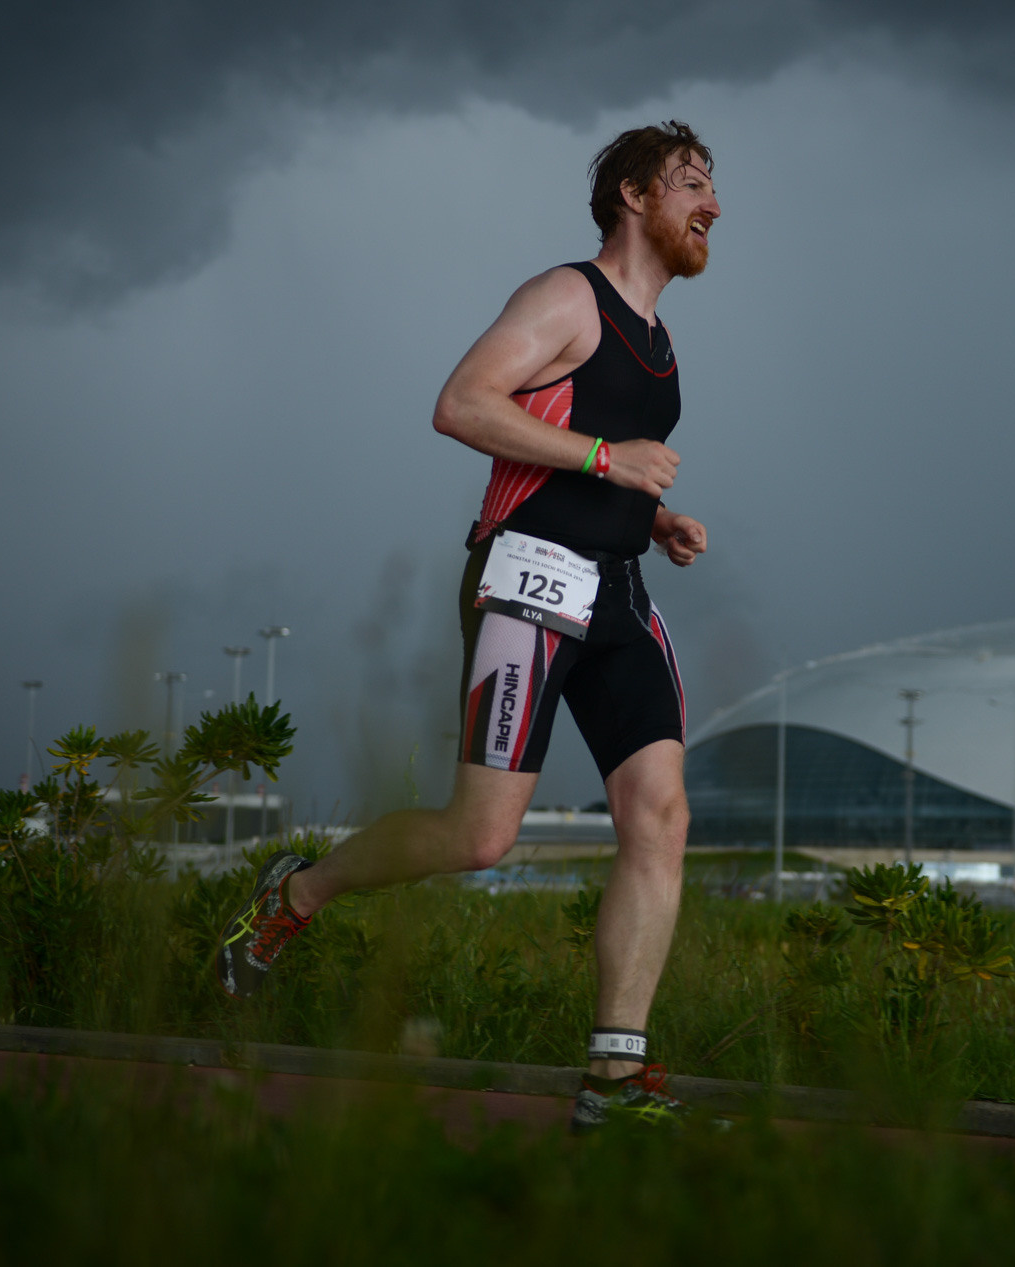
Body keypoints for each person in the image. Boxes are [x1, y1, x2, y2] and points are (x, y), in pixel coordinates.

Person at [213, 121, 721, 1134]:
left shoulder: (660, 341)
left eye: (713, 187)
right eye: (692, 183)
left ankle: (611, 1082)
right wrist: (605, 463)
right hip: (528, 581)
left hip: (618, 593)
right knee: (480, 837)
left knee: (660, 817)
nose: (713, 204)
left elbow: (592, 457)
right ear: (632, 194)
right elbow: (461, 405)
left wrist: (646, 514)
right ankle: (299, 892)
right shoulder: (565, 296)